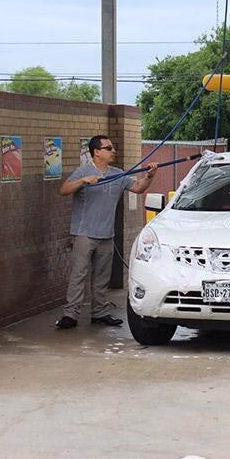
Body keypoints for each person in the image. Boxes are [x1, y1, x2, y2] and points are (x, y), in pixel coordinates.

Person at [57, 135, 158, 329]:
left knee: (102, 277)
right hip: (84, 233)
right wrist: (84, 181)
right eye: (109, 148)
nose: (113, 151)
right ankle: (71, 315)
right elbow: (64, 190)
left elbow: (137, 188)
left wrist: (149, 176)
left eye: (113, 147)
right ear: (97, 152)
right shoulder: (84, 171)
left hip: (106, 234)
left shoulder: (117, 174)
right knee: (79, 274)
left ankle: (99, 313)